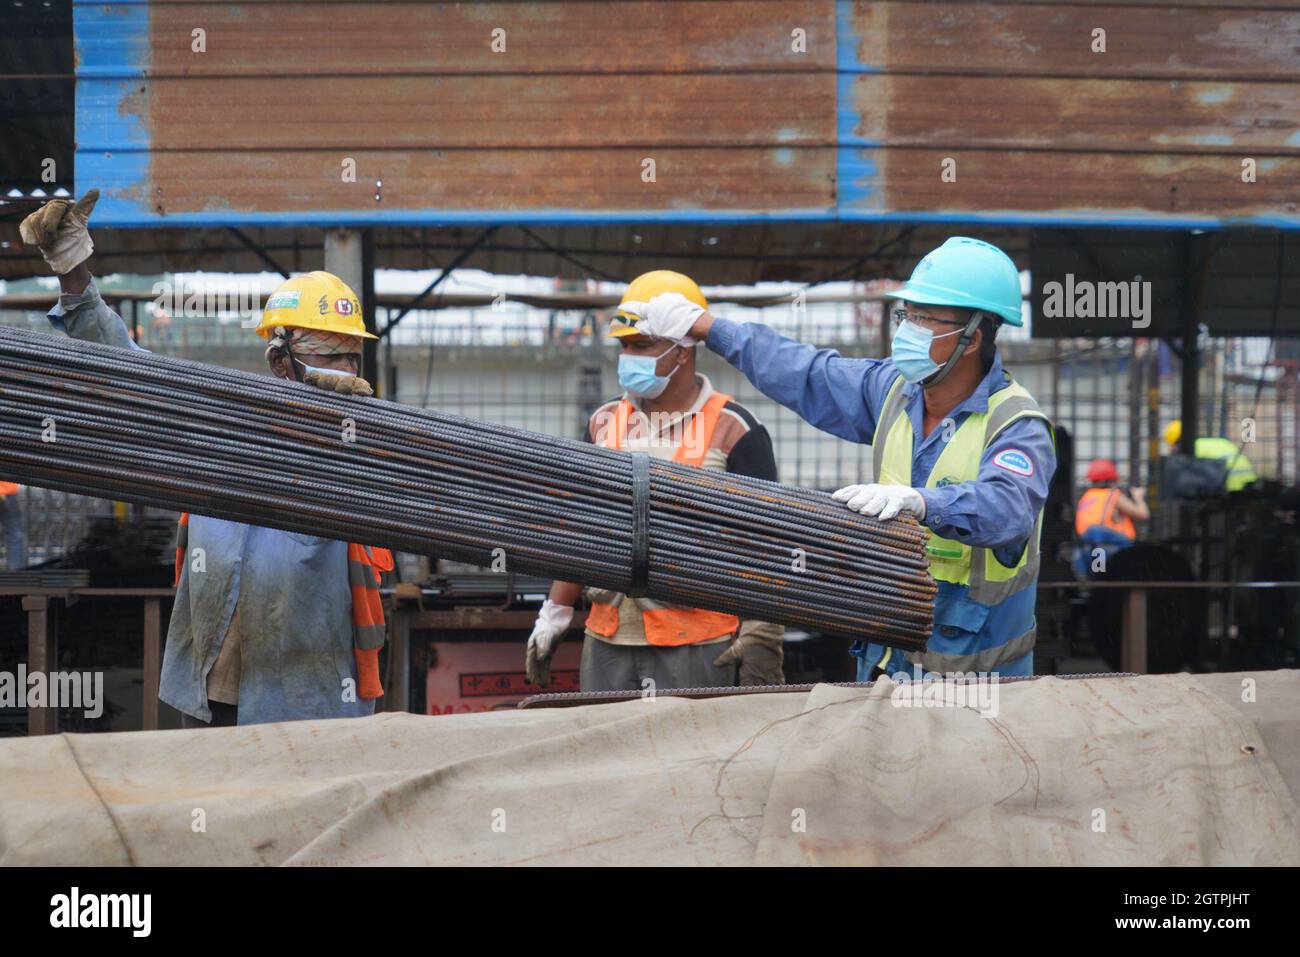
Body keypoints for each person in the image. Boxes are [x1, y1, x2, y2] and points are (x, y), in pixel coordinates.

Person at [20, 189, 393, 727]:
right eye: (328, 355)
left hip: (312, 699)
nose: (344, 368)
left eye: (351, 356)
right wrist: (72, 267)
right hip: (211, 686)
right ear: (280, 360)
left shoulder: (367, 449)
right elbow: (128, 376)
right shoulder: (219, 430)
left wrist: (355, 441)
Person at [619, 238, 1056, 680]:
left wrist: (923, 503)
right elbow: (805, 372)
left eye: (924, 318)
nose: (907, 328)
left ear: (971, 338)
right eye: (906, 314)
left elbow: (1009, 509)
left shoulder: (1015, 423)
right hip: (890, 664)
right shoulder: (892, 391)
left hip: (979, 684)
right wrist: (710, 328)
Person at [525, 271, 785, 691]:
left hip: (698, 643)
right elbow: (579, 526)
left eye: (641, 346)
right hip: (607, 638)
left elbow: (766, 541)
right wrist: (554, 613)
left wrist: (762, 629)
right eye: (624, 346)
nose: (628, 356)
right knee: (608, 754)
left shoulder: (735, 429)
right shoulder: (603, 423)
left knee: (695, 755)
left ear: (683, 350)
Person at [1074, 459, 1148, 576]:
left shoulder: (1086, 497)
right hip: (1114, 544)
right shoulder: (1113, 495)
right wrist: (1138, 497)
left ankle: (1093, 578)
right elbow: (1143, 514)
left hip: (1092, 545)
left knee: (1091, 544)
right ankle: (1099, 574)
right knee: (1097, 536)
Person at [1163, 420, 1257, 493]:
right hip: (1251, 483)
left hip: (1233, 486)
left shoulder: (1194, 449)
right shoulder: (1212, 442)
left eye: (1172, 446)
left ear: (1175, 443)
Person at [0, 481, 25, 571]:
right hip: (6, 491)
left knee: (14, 535)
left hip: (6, 491)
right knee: (14, 535)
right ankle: (16, 572)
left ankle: (16, 570)